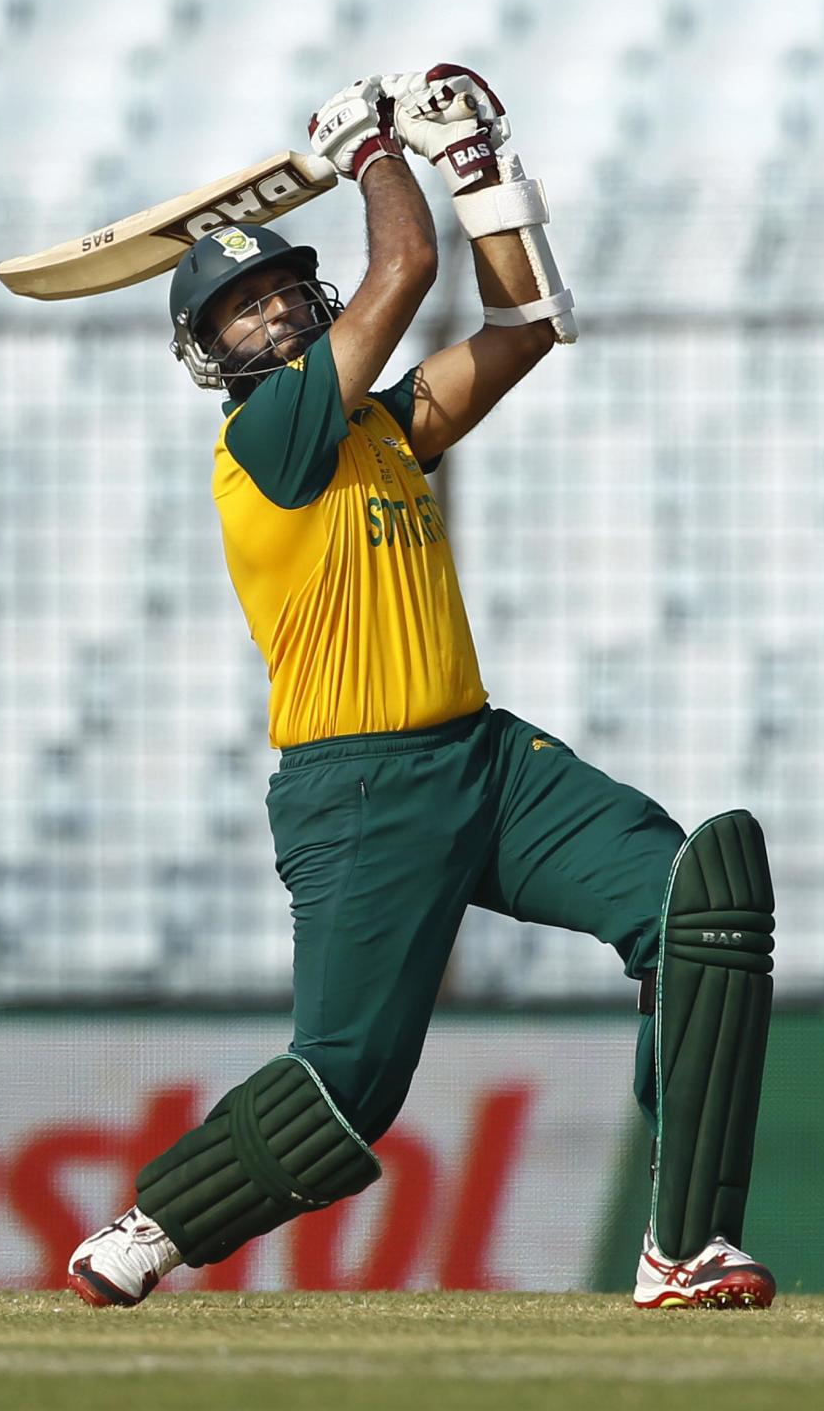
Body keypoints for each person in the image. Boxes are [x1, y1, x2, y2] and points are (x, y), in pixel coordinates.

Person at [67, 67, 777, 1311]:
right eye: (243, 314)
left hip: (485, 765)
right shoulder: (261, 446)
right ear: (208, 358)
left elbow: (522, 330)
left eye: (289, 292)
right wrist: (371, 152)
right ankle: (155, 1222)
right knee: (349, 1093)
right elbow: (400, 275)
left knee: (697, 902)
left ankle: (685, 1248)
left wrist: (481, 172)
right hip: (358, 791)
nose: (276, 318)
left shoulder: (383, 430)